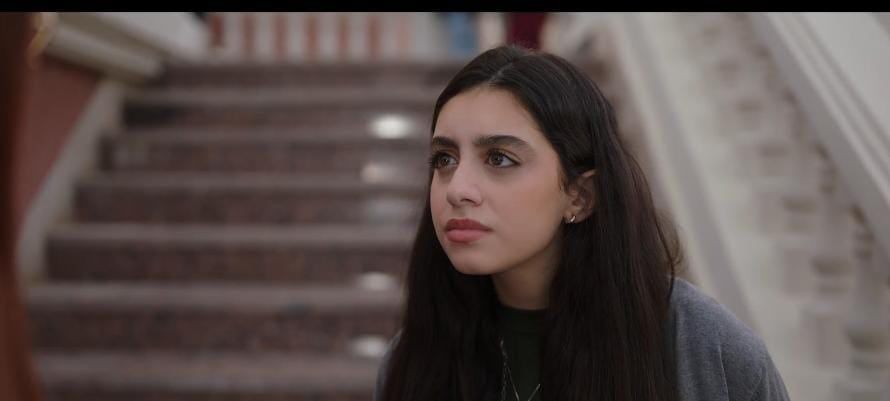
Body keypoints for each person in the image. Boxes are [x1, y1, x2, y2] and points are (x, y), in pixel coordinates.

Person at [373, 45, 790, 401]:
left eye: (499, 158)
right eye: (444, 159)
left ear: (580, 196)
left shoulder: (706, 349)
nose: (457, 188)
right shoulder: (413, 361)